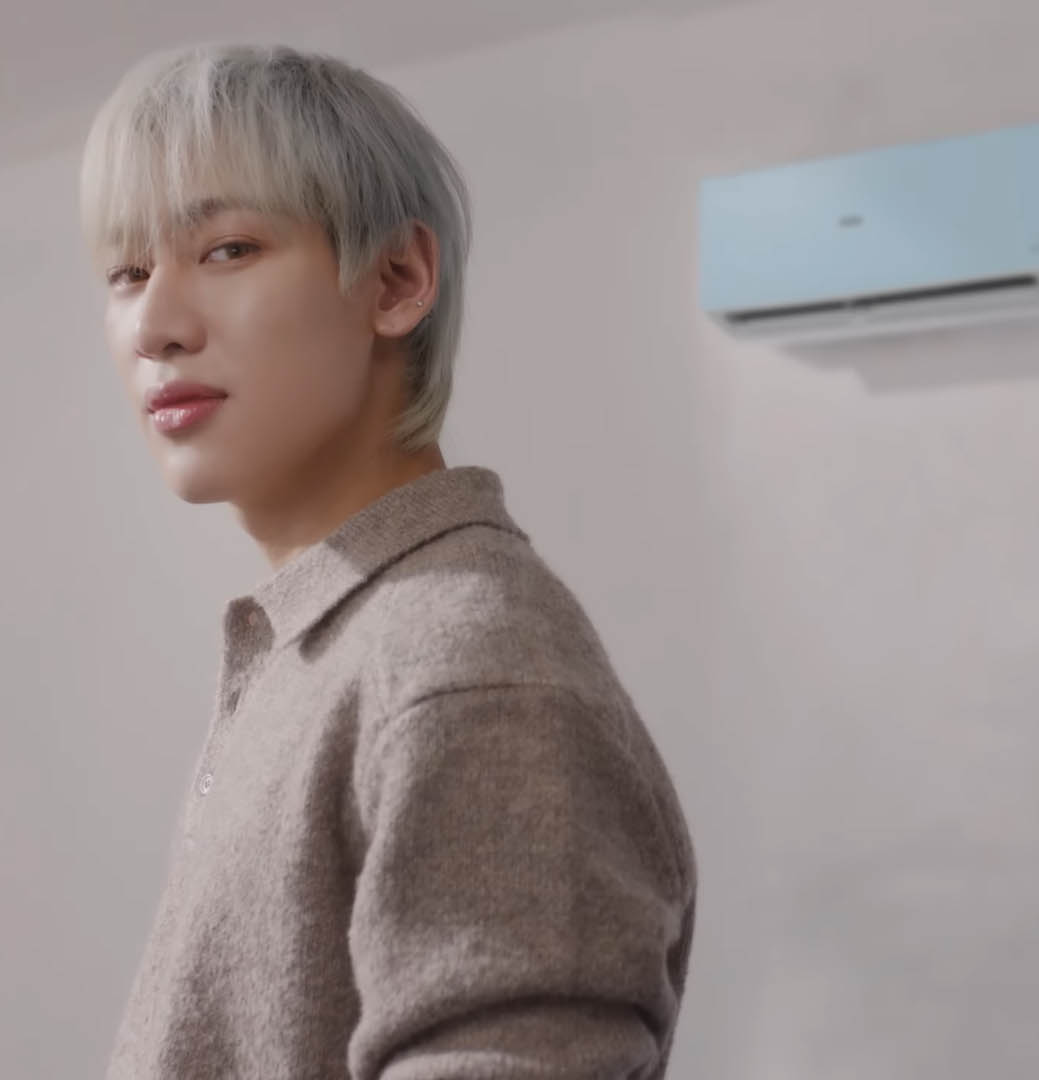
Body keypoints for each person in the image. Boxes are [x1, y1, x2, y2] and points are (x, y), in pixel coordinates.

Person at [79, 42, 697, 1079]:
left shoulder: (463, 663)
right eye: (128, 273)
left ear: (398, 280)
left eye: (226, 248)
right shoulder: (338, 642)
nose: (154, 324)